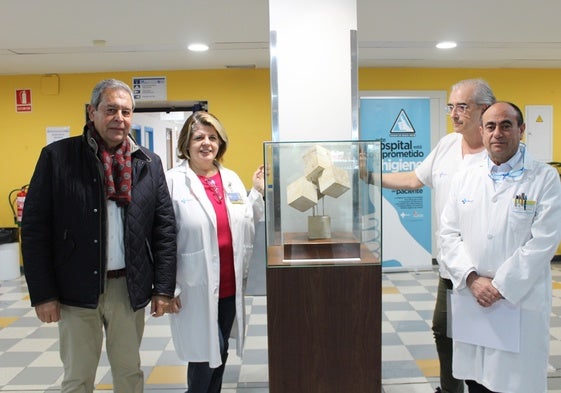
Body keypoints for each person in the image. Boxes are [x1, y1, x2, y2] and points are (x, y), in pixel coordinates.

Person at [21, 79, 177, 393]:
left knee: (129, 373)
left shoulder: (148, 163)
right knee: (78, 377)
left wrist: (163, 288)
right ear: (92, 113)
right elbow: (35, 229)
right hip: (76, 291)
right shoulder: (57, 158)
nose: (119, 117)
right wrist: (43, 294)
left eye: (126, 111)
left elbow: (164, 229)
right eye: (110, 110)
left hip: (128, 289)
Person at [373, 79, 496, 393]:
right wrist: (369, 176)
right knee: (444, 331)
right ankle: (449, 389)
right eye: (450, 107)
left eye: (462, 107)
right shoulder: (446, 145)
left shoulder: (498, 152)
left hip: (487, 269)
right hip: (451, 267)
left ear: (484, 109)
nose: (453, 114)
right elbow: (414, 179)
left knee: (487, 339)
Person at [439, 101, 561, 393]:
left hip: (518, 300)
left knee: (514, 383)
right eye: (491, 126)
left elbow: (543, 242)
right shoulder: (465, 177)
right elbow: (448, 234)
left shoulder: (544, 178)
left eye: (507, 125)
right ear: (481, 132)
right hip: (473, 298)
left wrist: (499, 286)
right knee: (476, 381)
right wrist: (471, 278)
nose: (498, 133)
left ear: (521, 129)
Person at [165, 111, 264, 393]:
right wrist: (166, 287)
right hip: (193, 285)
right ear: (186, 144)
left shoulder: (230, 178)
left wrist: (256, 193)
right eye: (199, 137)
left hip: (229, 285)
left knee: (220, 353)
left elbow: (247, 221)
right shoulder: (173, 181)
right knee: (204, 354)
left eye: (212, 137)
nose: (206, 143)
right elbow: (162, 238)